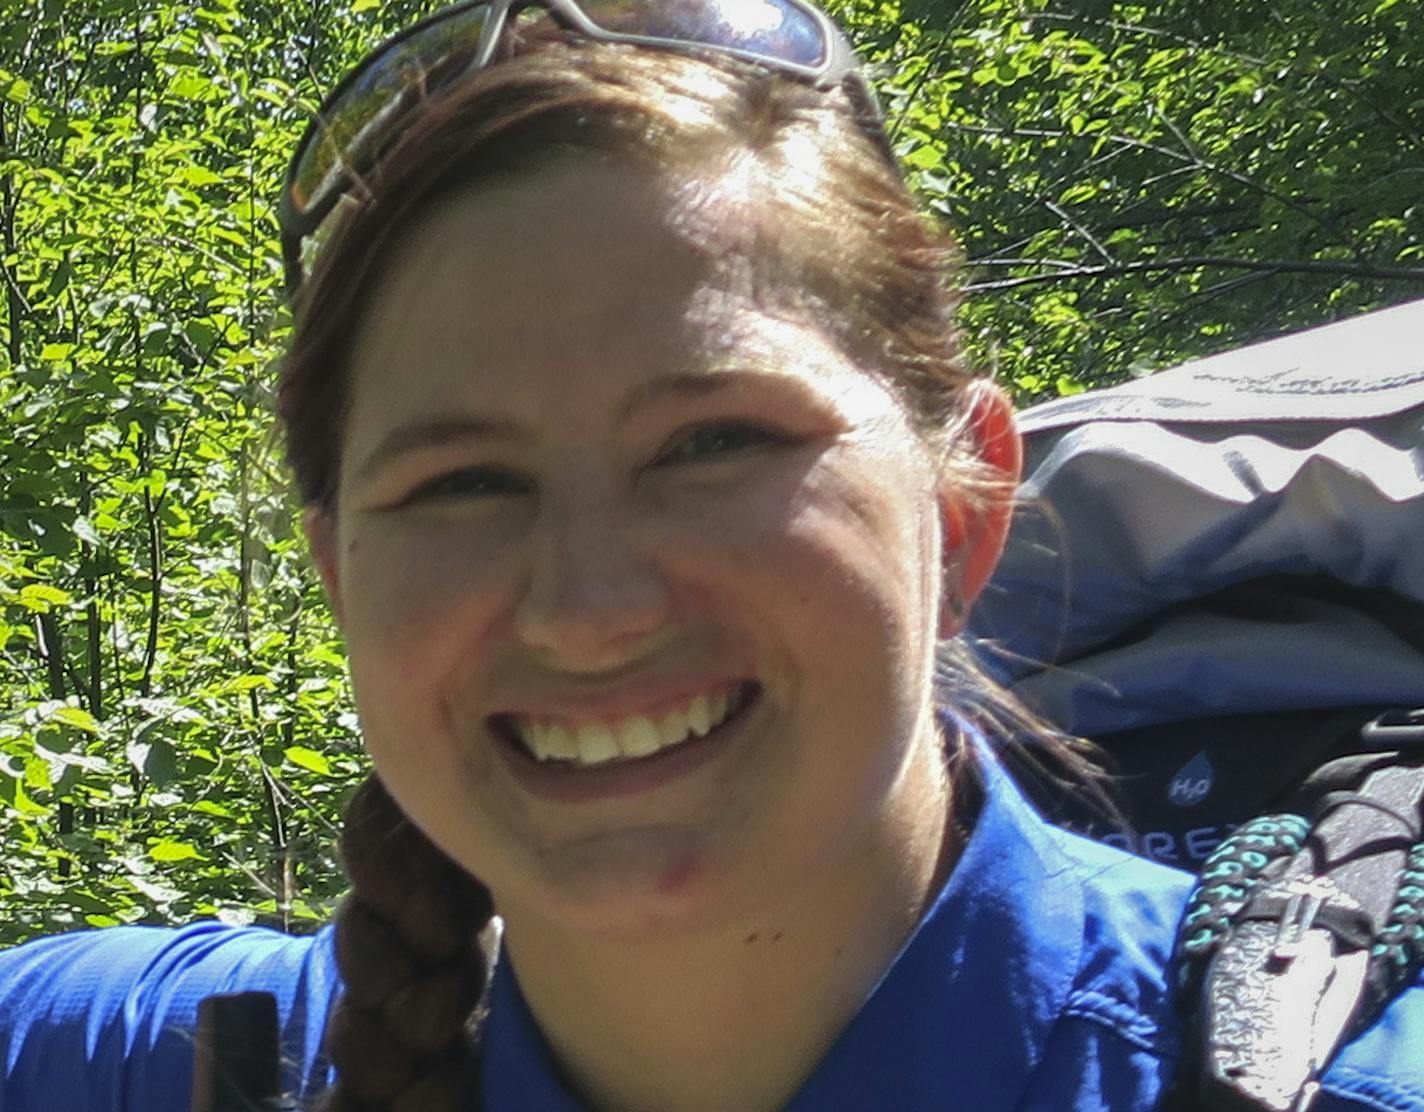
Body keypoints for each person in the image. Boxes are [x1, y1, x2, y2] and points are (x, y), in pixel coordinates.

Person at [0, 2, 1419, 1110]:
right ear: (338, 581)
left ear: (963, 504)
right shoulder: (155, 1065)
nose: (590, 605)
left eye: (713, 444)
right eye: (463, 482)